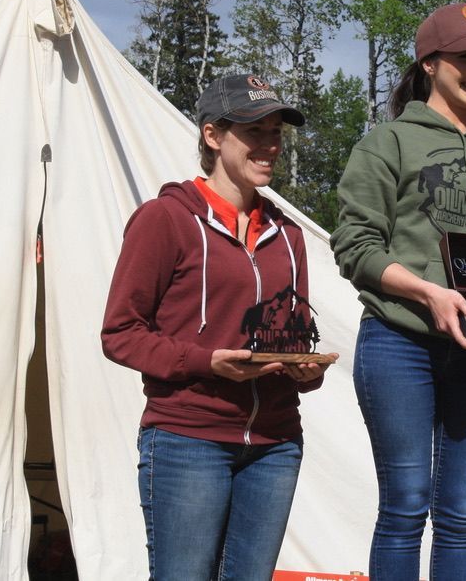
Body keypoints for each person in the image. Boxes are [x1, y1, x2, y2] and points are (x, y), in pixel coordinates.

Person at [330, 3, 466, 580]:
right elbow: (355, 244)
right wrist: (429, 293)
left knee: (462, 515)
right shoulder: (388, 143)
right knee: (404, 506)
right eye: (465, 57)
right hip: (401, 342)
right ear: (429, 63)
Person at [101, 74, 336, 581]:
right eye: (255, 132)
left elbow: (289, 335)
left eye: (276, 132)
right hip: (189, 438)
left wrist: (305, 369)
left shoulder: (288, 233)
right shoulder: (164, 219)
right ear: (213, 136)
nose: (270, 145)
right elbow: (119, 333)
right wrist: (205, 362)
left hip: (275, 443)